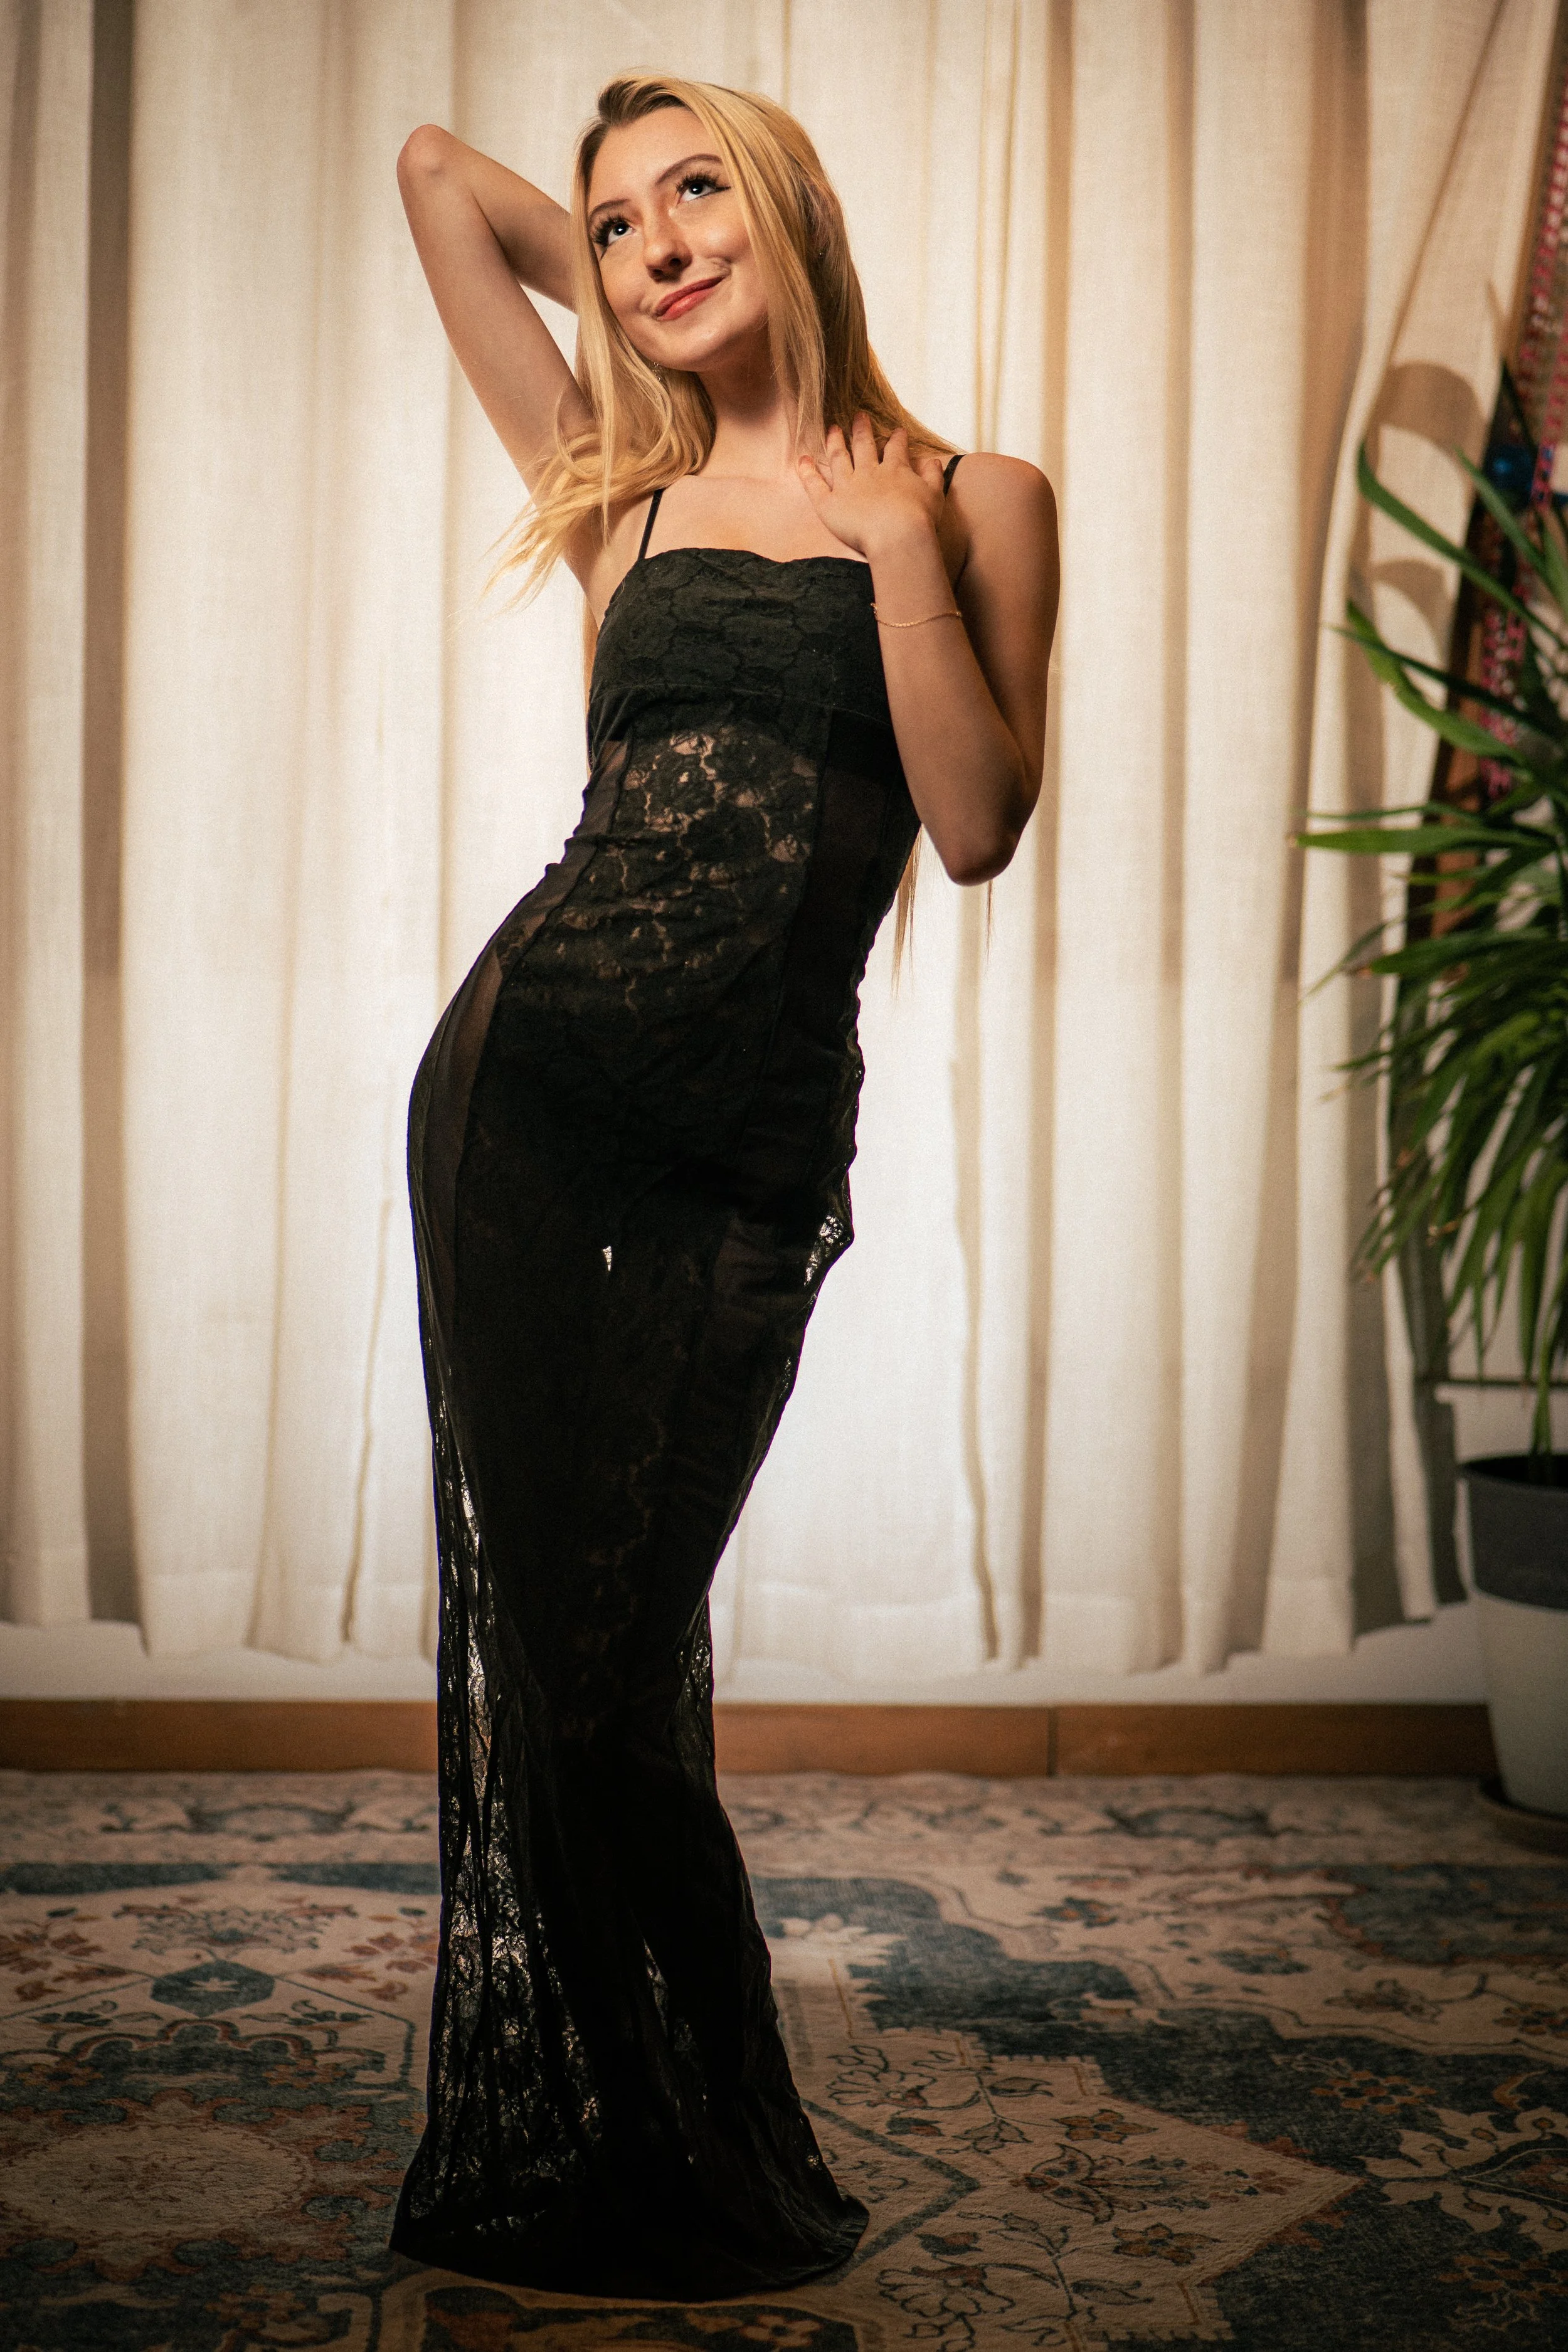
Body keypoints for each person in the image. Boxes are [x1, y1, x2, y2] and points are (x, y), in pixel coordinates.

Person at [389, 72, 1059, 2299]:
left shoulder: (973, 495)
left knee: (615, 1656)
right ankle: (650, 2148)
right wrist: (607, 225)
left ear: (791, 203)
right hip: (524, 1102)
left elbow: (968, 823)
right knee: (564, 1670)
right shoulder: (622, 488)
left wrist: (884, 558)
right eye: (617, 226)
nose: (658, 243)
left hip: (751, 1154)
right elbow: (432, 184)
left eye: (701, 193)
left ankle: (690, 2128)